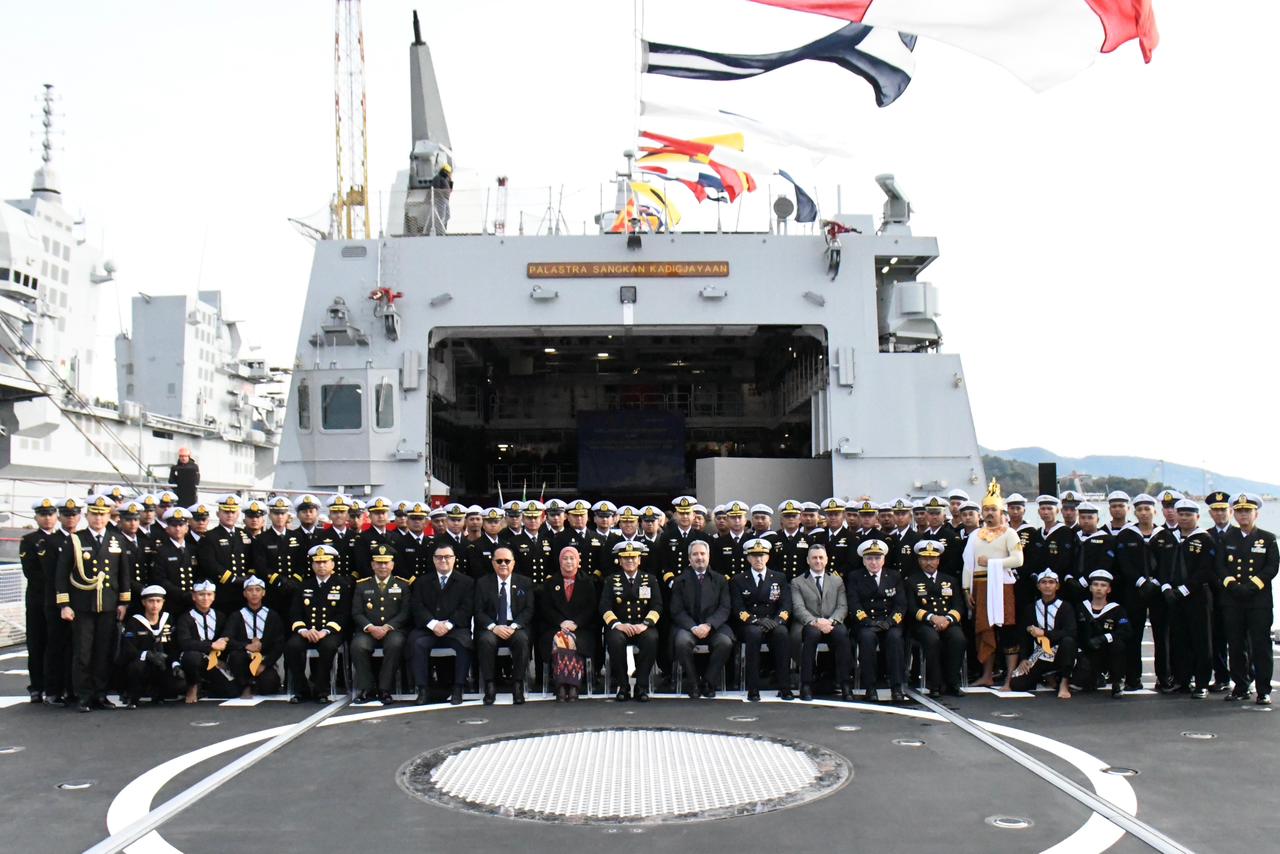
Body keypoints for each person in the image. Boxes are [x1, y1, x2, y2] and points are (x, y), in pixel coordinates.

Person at [55, 494, 132, 712]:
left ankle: (101, 693)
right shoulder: (76, 539)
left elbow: (123, 574)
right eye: (94, 515)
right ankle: (83, 695)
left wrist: (123, 602)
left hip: (107, 604)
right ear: (87, 516)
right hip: (83, 604)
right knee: (83, 652)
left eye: (103, 515)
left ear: (109, 516)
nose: (98, 520)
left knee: (103, 652)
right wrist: (64, 604)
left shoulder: (117, 539)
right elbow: (61, 575)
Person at [1150, 499, 1218, 696]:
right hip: (1173, 597)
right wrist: (1165, 587)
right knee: (1179, 640)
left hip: (1197, 596)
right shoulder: (1167, 538)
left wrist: (1184, 589)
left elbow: (1205, 570)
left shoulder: (1205, 539)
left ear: (1197, 517)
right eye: (1181, 514)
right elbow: (1159, 565)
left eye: (1189, 515)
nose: (1184, 518)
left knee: (1201, 641)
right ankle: (1182, 679)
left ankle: (1202, 683)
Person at [961, 480, 1024, 690]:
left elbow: (1018, 560)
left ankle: (1009, 678)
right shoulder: (974, 535)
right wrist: (966, 588)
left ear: (1001, 511)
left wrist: (993, 563)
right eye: (986, 509)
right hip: (979, 585)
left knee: (1007, 630)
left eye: (993, 510)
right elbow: (968, 564)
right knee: (984, 631)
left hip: (1002, 586)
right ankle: (987, 675)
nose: (989, 513)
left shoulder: (1010, 533)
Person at [1218, 493, 1276, 705]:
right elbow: (1220, 566)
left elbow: (1271, 568)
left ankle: (1263, 690)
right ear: (1234, 514)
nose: (1243, 515)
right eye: (1240, 511)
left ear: (1256, 514)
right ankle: (1240, 686)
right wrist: (1232, 585)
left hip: (1258, 601)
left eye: (1247, 511)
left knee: (1261, 646)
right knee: (1235, 645)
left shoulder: (1268, 539)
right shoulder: (1226, 539)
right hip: (1233, 600)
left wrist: (1252, 586)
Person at [284, 544, 353, 704]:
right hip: (307, 631)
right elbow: (295, 612)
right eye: (317, 562)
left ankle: (321, 689)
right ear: (313, 564)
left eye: (325, 562)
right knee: (292, 647)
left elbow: (344, 614)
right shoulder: (304, 585)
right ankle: (301, 689)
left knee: (328, 647)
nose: (321, 565)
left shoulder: (342, 585)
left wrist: (325, 631)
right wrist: (304, 630)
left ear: (333, 564)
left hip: (330, 632)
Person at [408, 541, 474, 706]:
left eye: (447, 557)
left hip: (455, 628)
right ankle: (423, 689)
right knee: (416, 644)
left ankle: (458, 688)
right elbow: (417, 606)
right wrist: (433, 624)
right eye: (439, 557)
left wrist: (448, 624)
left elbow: (466, 608)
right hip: (428, 629)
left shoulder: (466, 582)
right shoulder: (422, 582)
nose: (443, 560)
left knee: (464, 645)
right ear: (433, 560)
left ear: (454, 559)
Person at [669, 540, 734, 699]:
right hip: (688, 627)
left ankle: (708, 682)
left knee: (725, 643)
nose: (699, 558)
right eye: (695, 554)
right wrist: (693, 627)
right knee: (682, 642)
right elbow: (677, 611)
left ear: (709, 556)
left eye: (702, 554)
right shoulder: (680, 581)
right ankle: (692, 683)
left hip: (714, 626)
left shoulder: (720, 580)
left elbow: (725, 607)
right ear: (689, 559)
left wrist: (709, 625)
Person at [731, 537, 793, 701]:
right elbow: (738, 608)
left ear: (768, 557)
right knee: (753, 635)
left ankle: (784, 686)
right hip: (750, 623)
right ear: (748, 558)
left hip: (773, 621)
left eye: (762, 555)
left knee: (782, 634)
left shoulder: (778, 577)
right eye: (754, 555)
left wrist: (778, 620)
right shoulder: (738, 579)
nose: (758, 559)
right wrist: (755, 620)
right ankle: (753, 688)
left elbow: (786, 604)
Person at [847, 539, 909, 703]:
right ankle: (870, 687)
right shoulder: (855, 576)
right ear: (863, 560)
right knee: (867, 639)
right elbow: (854, 603)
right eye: (869, 558)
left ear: (883, 559)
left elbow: (900, 605)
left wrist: (890, 622)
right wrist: (867, 621)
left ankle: (896, 686)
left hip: (889, 622)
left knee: (895, 639)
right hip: (866, 623)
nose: (873, 562)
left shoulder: (894, 576)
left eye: (877, 558)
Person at [600, 540, 663, 702]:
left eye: (633, 557)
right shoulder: (611, 580)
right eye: (626, 558)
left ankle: (642, 686)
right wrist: (618, 624)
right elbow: (604, 607)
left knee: (652, 638)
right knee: (614, 640)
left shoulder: (650, 579)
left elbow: (657, 606)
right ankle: (623, 685)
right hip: (620, 626)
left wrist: (645, 624)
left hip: (643, 626)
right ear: (620, 561)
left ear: (639, 560)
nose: (630, 561)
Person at [350, 544, 413, 705]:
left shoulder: (403, 585)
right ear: (372, 565)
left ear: (392, 565)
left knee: (395, 644)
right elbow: (356, 612)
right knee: (358, 646)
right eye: (379, 563)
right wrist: (370, 627)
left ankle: (385, 689)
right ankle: (366, 688)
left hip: (393, 630)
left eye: (386, 563)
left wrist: (387, 627)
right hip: (368, 630)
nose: (382, 566)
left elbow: (405, 613)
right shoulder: (362, 585)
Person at [790, 543, 852, 701]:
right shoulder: (797, 582)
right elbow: (798, 608)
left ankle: (845, 683)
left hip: (832, 622)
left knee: (842, 634)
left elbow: (843, 606)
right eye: (814, 558)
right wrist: (815, 621)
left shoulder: (837, 581)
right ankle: (806, 684)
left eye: (821, 557)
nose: (818, 561)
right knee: (811, 636)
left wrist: (831, 621)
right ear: (808, 560)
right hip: (809, 623)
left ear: (826, 560)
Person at [905, 539, 966, 698]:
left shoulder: (950, 580)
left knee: (958, 639)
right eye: (924, 559)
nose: (929, 562)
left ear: (938, 560)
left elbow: (959, 606)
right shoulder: (911, 581)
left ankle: (953, 681)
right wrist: (932, 618)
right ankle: (935, 684)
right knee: (932, 640)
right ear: (919, 560)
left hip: (948, 622)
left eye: (932, 559)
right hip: (923, 624)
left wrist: (947, 620)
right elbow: (911, 608)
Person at [473, 546, 534, 705]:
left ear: (513, 563)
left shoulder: (525, 582)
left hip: (514, 626)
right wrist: (494, 627)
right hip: (492, 626)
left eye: (507, 561)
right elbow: (478, 611)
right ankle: (490, 685)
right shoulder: (482, 583)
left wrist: (513, 626)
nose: (503, 564)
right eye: (499, 561)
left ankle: (517, 685)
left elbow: (529, 609)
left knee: (522, 640)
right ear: (493, 563)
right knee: (486, 641)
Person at [538, 545, 598, 701]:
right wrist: (561, 622)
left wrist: (576, 623)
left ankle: (568, 685)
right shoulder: (551, 583)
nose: (569, 562)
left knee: (570, 639)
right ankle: (566, 685)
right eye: (565, 558)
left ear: (578, 561)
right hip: (555, 627)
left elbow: (591, 608)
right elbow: (545, 608)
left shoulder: (588, 582)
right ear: (559, 562)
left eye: (572, 558)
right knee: (560, 638)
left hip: (582, 629)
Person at [1010, 570, 1076, 699]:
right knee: (1017, 684)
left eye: (1051, 582)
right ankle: (1046, 675)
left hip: (1060, 651)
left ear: (1057, 586)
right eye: (1044, 582)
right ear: (1038, 586)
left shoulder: (1065, 607)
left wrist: (1045, 633)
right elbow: (1023, 636)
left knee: (1069, 641)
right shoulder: (1031, 608)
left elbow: (1071, 632)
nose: (1047, 585)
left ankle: (1063, 682)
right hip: (1040, 653)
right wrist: (1023, 658)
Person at [19, 497, 60, 703]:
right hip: (38, 599)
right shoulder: (29, 540)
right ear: (36, 517)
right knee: (37, 643)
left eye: (51, 514)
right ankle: (36, 686)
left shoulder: (64, 539)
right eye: (43, 515)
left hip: (57, 600)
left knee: (55, 644)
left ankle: (53, 685)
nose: (47, 518)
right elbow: (31, 572)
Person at [117, 585, 183, 707]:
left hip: (162, 662)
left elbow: (173, 645)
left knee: (179, 682)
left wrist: (175, 664)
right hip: (142, 662)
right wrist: (147, 655)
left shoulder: (168, 619)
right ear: (143, 602)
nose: (154, 605)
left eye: (158, 601)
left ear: (163, 602)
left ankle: (159, 695)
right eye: (151, 601)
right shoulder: (135, 621)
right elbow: (128, 649)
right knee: (137, 667)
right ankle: (133, 696)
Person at [173, 580, 233, 702]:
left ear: (214, 596)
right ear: (194, 597)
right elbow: (185, 643)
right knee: (192, 657)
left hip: (213, 660)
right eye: (201, 594)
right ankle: (193, 685)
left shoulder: (220, 616)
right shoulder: (185, 618)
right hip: (193, 659)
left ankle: (205, 685)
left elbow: (226, 637)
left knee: (232, 691)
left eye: (209, 594)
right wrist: (211, 645)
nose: (205, 598)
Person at [226, 576, 285, 698]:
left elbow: (279, 644)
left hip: (264, 660)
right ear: (244, 593)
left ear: (263, 593)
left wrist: (265, 664)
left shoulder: (272, 616)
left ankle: (256, 683)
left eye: (258, 590)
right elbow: (228, 639)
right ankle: (245, 684)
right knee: (237, 657)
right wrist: (246, 646)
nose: (254, 593)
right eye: (250, 590)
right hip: (242, 661)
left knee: (269, 685)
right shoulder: (236, 615)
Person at [1073, 570, 1129, 697]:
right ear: (1090, 588)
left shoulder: (1117, 609)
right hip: (1087, 651)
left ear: (1109, 590)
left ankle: (1116, 682)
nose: (1099, 588)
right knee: (1083, 685)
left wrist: (1104, 638)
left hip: (1107, 651)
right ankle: (1093, 676)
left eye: (1103, 585)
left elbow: (1126, 631)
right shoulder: (1081, 607)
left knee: (1118, 645)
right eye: (1096, 584)